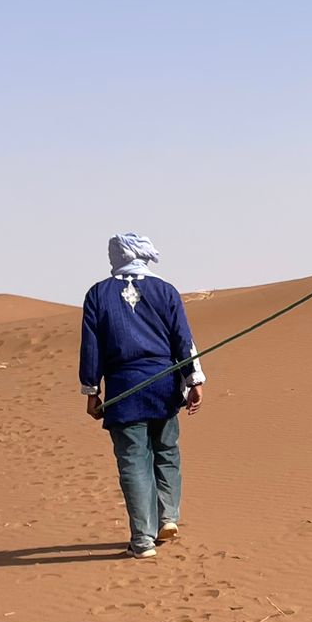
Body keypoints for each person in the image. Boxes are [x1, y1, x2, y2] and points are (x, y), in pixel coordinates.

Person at [79, 232, 203, 558]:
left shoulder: (97, 295)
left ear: (117, 257)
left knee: (134, 462)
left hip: (124, 390)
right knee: (166, 452)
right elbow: (183, 339)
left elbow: (91, 349)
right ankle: (168, 517)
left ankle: (143, 539)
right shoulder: (166, 290)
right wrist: (194, 380)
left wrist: (92, 391)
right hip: (163, 387)